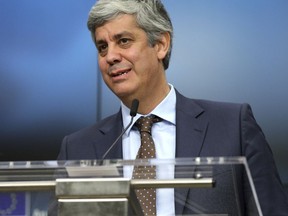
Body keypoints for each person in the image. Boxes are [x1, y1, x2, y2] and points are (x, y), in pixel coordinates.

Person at [55, 0, 288, 215]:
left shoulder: (233, 126)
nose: (110, 56)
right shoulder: (78, 149)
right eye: (102, 47)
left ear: (161, 44)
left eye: (123, 41)